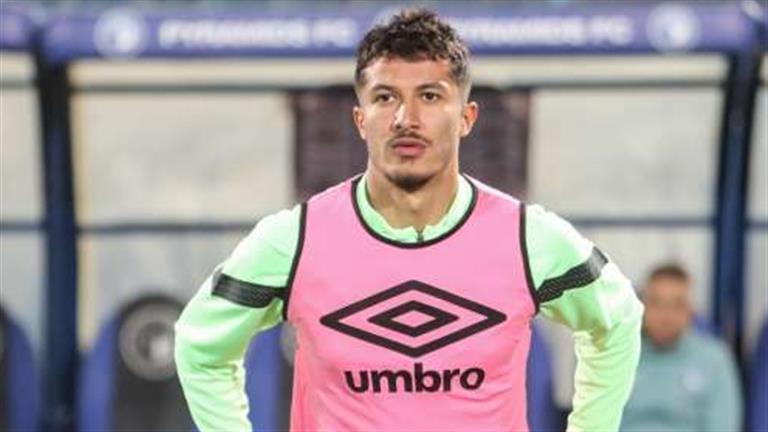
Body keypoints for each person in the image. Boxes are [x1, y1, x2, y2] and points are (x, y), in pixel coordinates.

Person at [175, 9, 643, 431]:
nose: (406, 117)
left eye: (430, 96)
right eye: (385, 97)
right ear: (361, 119)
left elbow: (618, 320)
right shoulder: (295, 239)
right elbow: (200, 346)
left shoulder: (527, 237)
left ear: (467, 117)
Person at [621, 264, 743, 432]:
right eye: (657, 303)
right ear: (641, 307)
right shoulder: (618, 354)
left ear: (690, 310)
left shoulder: (715, 359)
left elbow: (723, 425)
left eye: (676, 305)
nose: (666, 316)